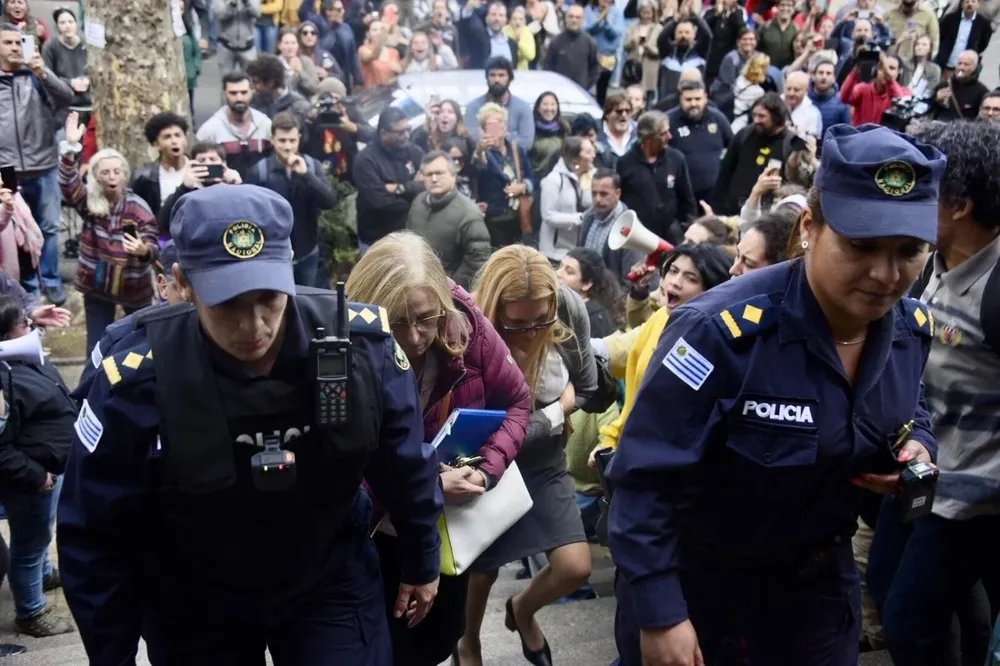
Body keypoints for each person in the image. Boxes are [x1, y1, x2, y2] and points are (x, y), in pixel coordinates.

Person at [58, 184, 444, 664]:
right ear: (183, 282)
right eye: (229, 303)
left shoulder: (361, 348)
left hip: (326, 576)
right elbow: (93, 532)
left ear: (290, 269)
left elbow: (405, 463)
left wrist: (422, 559)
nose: (254, 324)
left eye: (268, 298)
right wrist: (111, 655)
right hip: (194, 596)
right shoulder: (135, 382)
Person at [606, 122, 944, 666]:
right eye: (861, 246)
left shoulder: (910, 331)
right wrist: (660, 613)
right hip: (704, 599)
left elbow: (912, 408)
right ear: (810, 227)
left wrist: (917, 446)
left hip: (816, 602)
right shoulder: (717, 332)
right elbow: (642, 481)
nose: (886, 274)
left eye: (910, 251)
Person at [346, 231, 531, 666]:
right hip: (373, 528)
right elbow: (339, 463)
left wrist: (484, 470)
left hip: (449, 526)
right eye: (397, 322)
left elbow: (518, 402)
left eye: (426, 318)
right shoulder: (345, 340)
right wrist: (424, 486)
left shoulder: (468, 326)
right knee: (380, 642)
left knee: (441, 633)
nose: (414, 337)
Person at [866, 120, 1000, 666]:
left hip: (973, 498)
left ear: (960, 205)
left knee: (910, 623)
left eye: (923, 187)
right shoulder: (931, 262)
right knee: (887, 583)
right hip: (923, 476)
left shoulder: (995, 287)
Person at [458, 245, 597, 666]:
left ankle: (522, 609)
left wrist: (553, 415)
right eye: (517, 324)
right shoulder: (469, 323)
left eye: (541, 320)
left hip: (545, 459)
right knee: (482, 568)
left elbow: (587, 387)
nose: (532, 333)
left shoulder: (568, 307)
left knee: (575, 566)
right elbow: (486, 421)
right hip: (488, 458)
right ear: (494, 309)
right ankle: (468, 644)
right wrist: (556, 411)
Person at [0, 295, 77, 637]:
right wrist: (35, 476)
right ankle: (30, 612)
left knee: (41, 532)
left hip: (49, 472)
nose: (33, 326)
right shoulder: (3, 379)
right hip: (32, 479)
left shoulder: (25, 360)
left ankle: (43, 576)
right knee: (28, 544)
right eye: (25, 324)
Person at [59, 112, 159, 355]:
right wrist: (70, 148)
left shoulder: (137, 207)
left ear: (125, 175)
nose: (112, 177)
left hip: (133, 284)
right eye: (105, 172)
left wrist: (143, 249)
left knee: (140, 344)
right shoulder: (90, 202)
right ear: (95, 176)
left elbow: (152, 244)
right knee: (96, 346)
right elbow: (69, 186)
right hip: (97, 284)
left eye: (117, 171)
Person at [0, 22, 73, 306]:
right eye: (7, 42)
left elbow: (67, 97)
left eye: (18, 42)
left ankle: (51, 281)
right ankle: (29, 287)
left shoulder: (36, 75)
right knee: (14, 232)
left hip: (43, 165)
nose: (15, 47)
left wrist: (42, 72)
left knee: (49, 228)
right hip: (6, 171)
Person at [246, 111, 338, 287]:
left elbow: (330, 201)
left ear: (299, 139)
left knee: (306, 297)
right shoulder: (259, 172)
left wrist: (307, 175)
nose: (287, 147)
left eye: (292, 141)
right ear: (272, 140)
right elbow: (250, 215)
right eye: (282, 141)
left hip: (307, 252)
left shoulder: (312, 166)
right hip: (273, 254)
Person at [406, 151, 491, 289]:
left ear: (453, 175)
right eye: (429, 174)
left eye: (439, 173)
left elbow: (478, 260)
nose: (434, 179)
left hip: (448, 291)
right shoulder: (418, 203)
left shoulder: (469, 213)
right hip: (416, 284)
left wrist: (450, 288)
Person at [616, 111, 697, 246]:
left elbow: (687, 199)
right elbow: (619, 202)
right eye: (663, 133)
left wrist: (688, 229)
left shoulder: (676, 159)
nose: (669, 136)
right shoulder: (625, 163)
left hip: (671, 239)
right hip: (637, 239)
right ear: (648, 138)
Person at [354, 107, 426, 252]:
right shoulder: (365, 161)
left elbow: (428, 184)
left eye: (407, 129)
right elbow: (380, 202)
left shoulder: (414, 151)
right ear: (384, 133)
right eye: (400, 132)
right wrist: (414, 195)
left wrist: (402, 188)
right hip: (377, 239)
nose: (406, 135)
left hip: (410, 235)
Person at [195, 71, 274, 180]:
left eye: (244, 92)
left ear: (252, 92)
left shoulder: (266, 126)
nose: (239, 98)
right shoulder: (209, 131)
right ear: (224, 94)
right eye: (233, 93)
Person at [463, 56, 535, 146]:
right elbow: (472, 139)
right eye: (492, 75)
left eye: (501, 75)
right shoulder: (473, 107)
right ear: (487, 78)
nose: (497, 80)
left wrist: (500, 137)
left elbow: (526, 142)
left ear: (509, 78)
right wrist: (512, 135)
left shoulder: (523, 108)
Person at [557, 246, 623, 338]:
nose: (558, 273)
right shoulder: (568, 306)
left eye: (569, 272)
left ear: (587, 284)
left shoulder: (591, 319)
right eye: (560, 266)